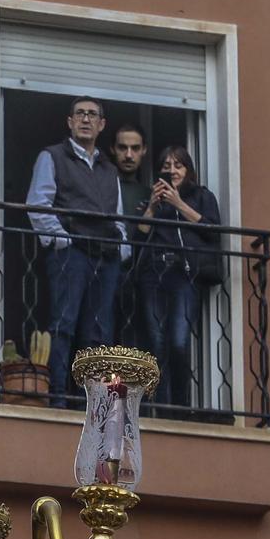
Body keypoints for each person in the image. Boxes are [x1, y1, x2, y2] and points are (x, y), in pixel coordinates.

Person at [26, 97, 129, 405]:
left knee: (98, 333)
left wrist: (122, 249)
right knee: (64, 325)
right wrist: (62, 241)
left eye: (92, 114)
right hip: (72, 253)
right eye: (80, 114)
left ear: (102, 125)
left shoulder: (109, 170)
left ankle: (94, 404)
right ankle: (57, 395)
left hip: (106, 256)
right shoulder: (52, 157)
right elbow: (38, 205)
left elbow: (119, 216)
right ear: (70, 122)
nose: (86, 119)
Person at [136, 144, 223, 411]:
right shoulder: (151, 199)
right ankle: (161, 408)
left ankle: (181, 406)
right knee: (156, 342)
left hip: (183, 274)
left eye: (178, 165)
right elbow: (138, 236)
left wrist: (179, 204)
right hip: (153, 273)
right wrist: (151, 207)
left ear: (188, 170)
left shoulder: (201, 196)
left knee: (178, 341)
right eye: (166, 165)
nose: (172, 170)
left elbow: (213, 230)